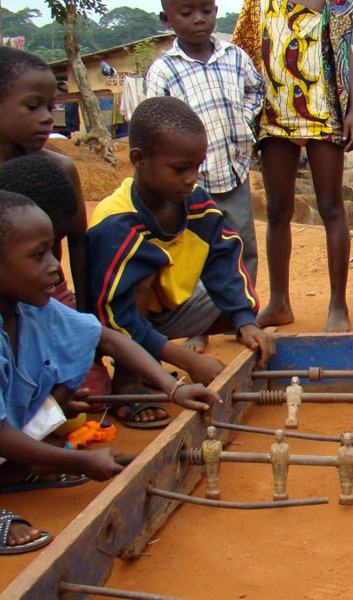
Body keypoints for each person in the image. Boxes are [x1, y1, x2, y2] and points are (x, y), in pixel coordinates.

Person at [0, 189, 221, 553]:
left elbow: (107, 338)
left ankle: (15, 469)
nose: (56, 267)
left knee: (61, 392)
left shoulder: (32, 309)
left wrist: (172, 387)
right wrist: (80, 460)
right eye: (38, 256)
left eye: (53, 251)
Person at [87, 97, 274, 427]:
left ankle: (151, 361)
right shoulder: (117, 222)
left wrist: (245, 321)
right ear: (139, 160)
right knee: (142, 278)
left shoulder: (195, 201)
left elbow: (223, 258)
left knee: (236, 299)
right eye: (180, 169)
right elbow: (115, 315)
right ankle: (129, 381)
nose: (192, 178)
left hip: (172, 309)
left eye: (197, 167)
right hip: (116, 322)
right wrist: (184, 359)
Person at [233, 0, 353, 333]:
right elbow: (242, 55)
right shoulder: (256, 4)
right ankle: (279, 302)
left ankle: (338, 304)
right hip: (274, 113)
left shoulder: (338, 3)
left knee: (331, 206)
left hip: (324, 110)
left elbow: (344, 56)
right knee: (277, 210)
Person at [0, 47, 111, 395]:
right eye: (33, 106)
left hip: (48, 294)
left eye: (52, 106)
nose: (48, 117)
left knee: (92, 393)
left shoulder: (61, 170)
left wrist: (88, 324)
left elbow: (79, 242)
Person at [146, 0, 263, 305]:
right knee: (194, 250)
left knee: (241, 243)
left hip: (233, 171)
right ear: (167, 19)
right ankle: (200, 324)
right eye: (186, 14)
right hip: (190, 183)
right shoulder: (163, 70)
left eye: (206, 11)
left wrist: (242, 117)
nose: (199, 20)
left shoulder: (235, 57)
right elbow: (154, 118)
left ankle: (242, 310)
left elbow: (256, 90)